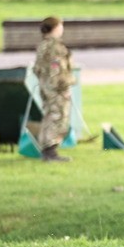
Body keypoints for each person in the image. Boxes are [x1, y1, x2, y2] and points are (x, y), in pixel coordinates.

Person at [32, 16, 74, 163]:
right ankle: (50, 151)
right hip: (57, 88)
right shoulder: (55, 47)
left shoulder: (42, 45)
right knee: (58, 117)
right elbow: (58, 69)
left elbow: (37, 69)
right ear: (56, 28)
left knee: (49, 115)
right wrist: (64, 86)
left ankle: (46, 149)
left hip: (45, 86)